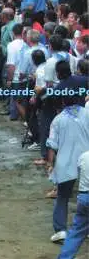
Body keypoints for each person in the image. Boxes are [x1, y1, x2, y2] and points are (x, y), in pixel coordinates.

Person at [47, 87, 89, 243]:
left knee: (62, 197)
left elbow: (52, 145)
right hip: (87, 160)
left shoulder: (58, 120)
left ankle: (61, 231)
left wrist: (50, 164)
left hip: (66, 163)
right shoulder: (87, 113)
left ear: (63, 101)